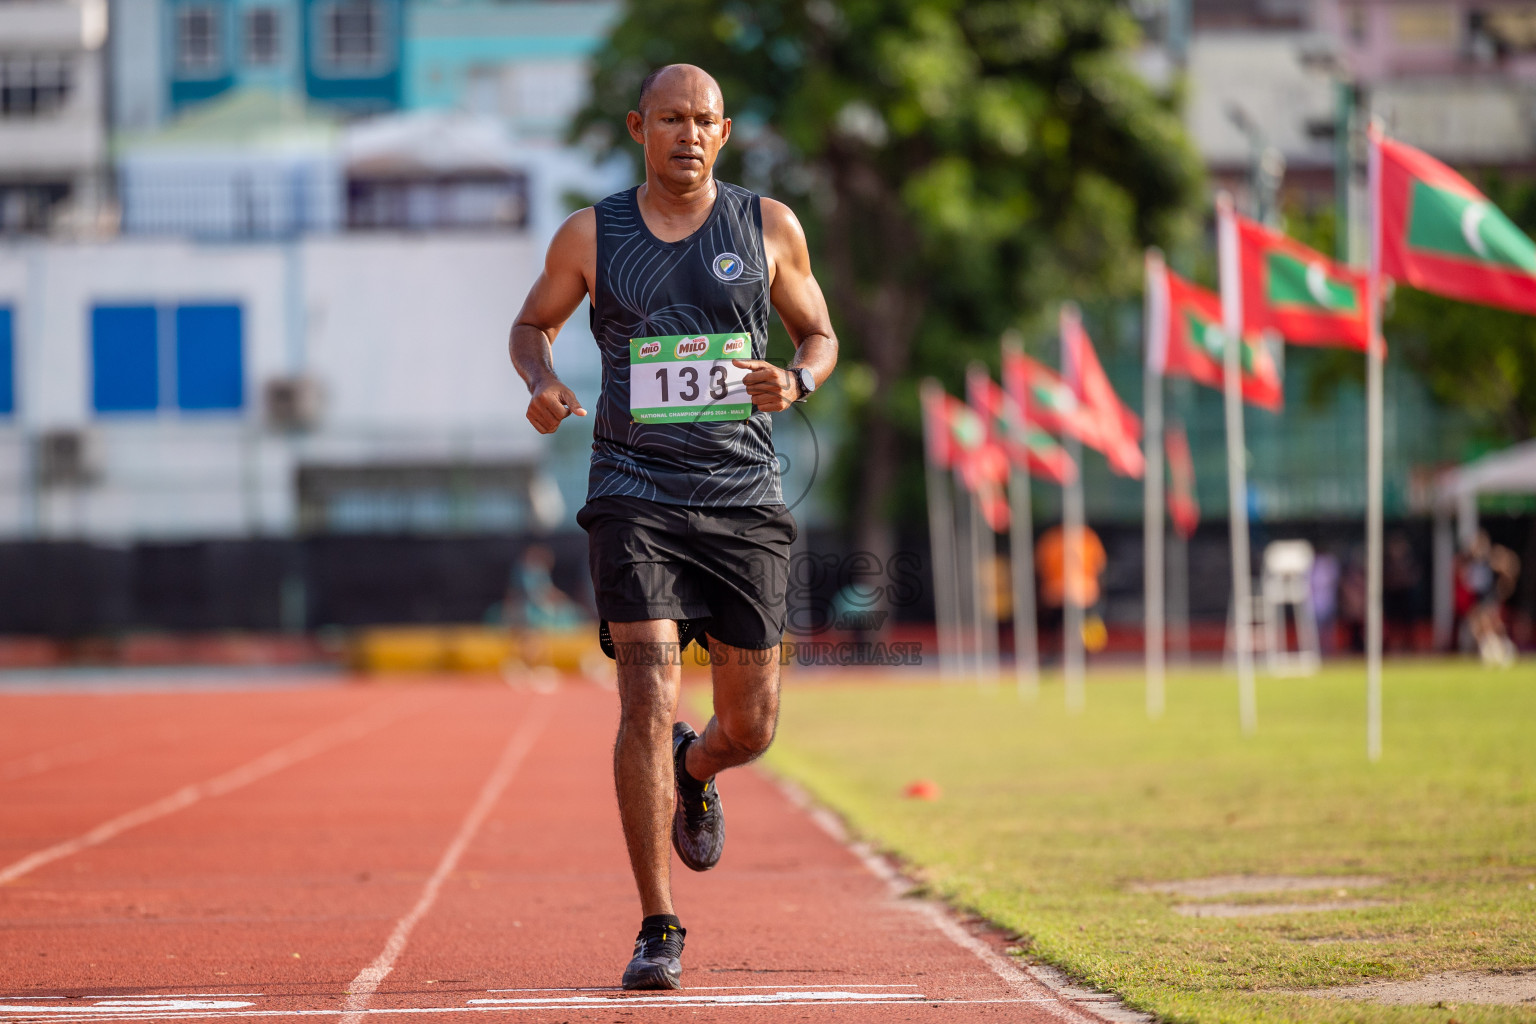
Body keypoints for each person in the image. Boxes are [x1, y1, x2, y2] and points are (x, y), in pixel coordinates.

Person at [507, 64, 837, 990]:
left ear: (724, 134)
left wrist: (799, 379)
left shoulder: (768, 227)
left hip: (742, 497)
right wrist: (542, 381)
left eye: (703, 121)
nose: (687, 135)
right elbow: (531, 325)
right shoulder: (592, 233)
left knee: (754, 726)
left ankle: (698, 766)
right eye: (669, 120)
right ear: (637, 128)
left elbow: (820, 333)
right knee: (646, 696)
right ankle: (660, 924)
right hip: (633, 490)